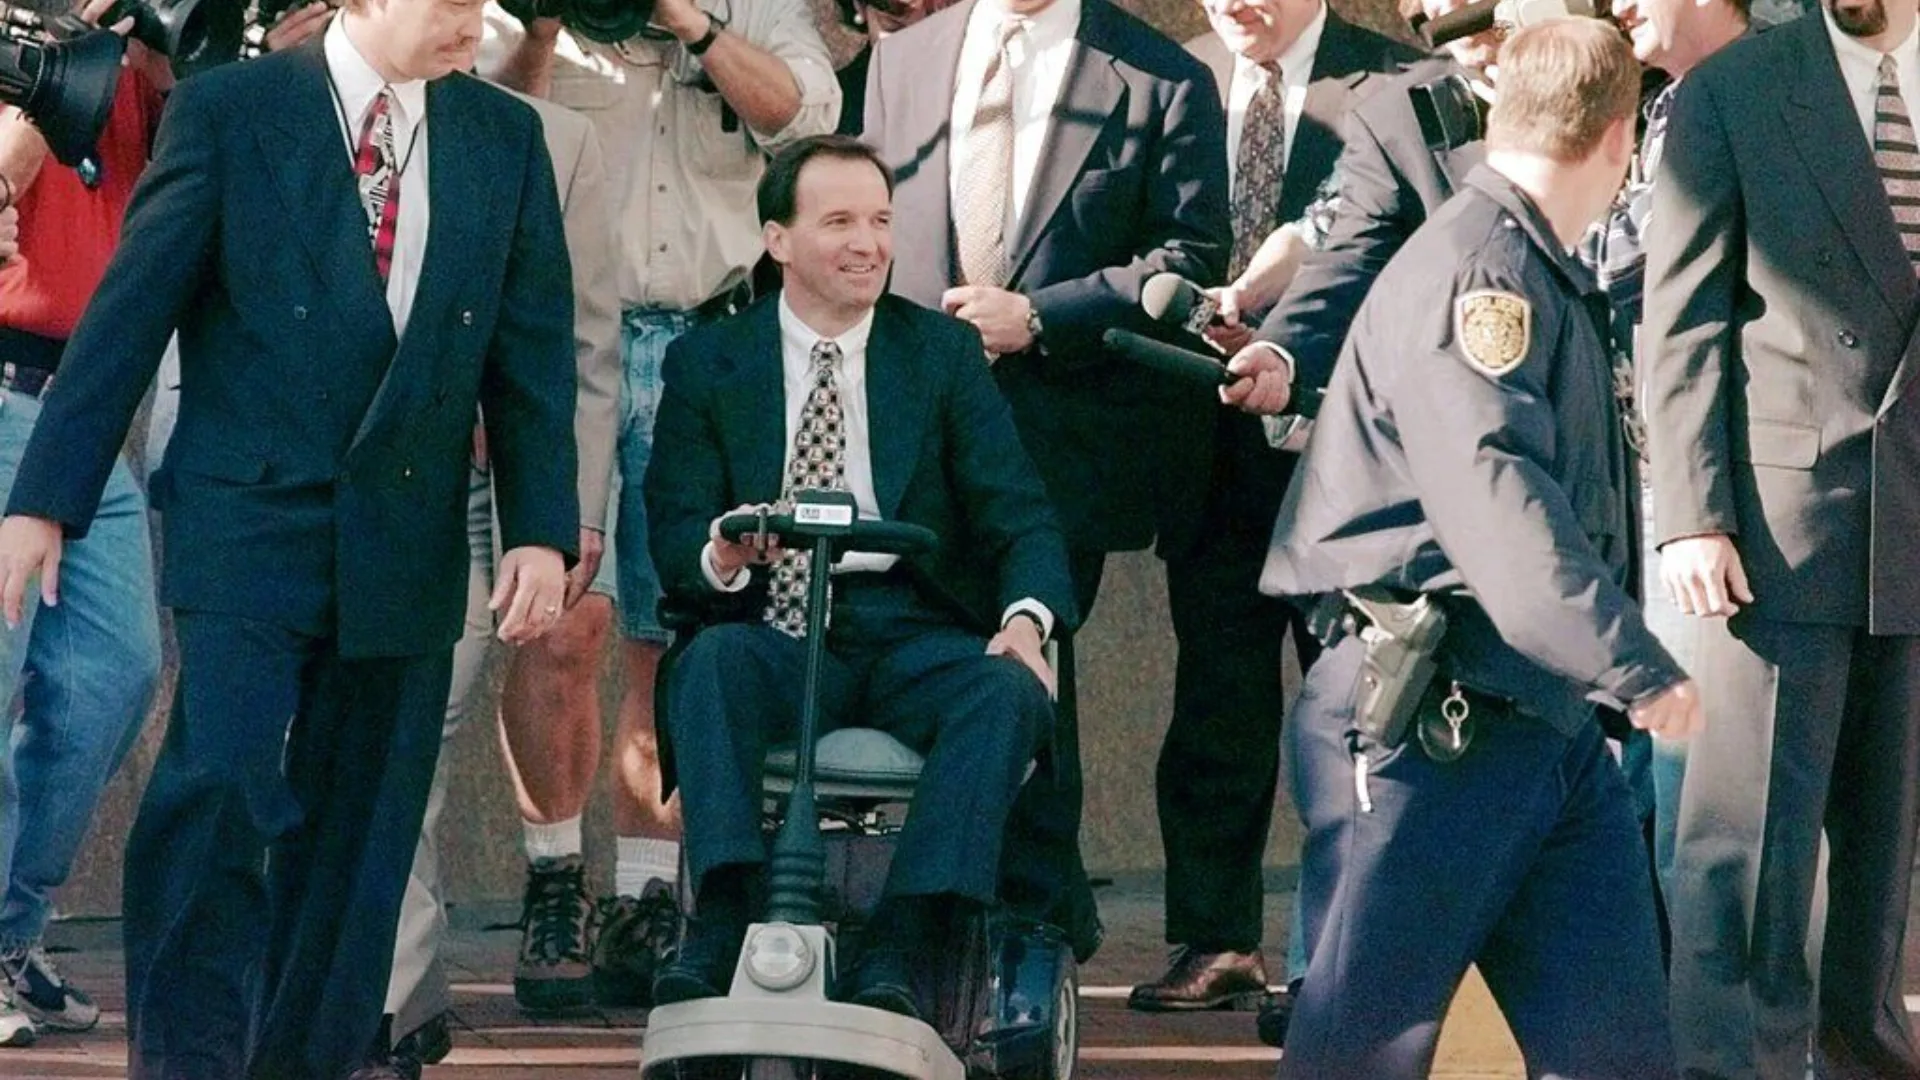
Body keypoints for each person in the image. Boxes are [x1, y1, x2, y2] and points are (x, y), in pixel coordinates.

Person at [0, 0, 582, 1071]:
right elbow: (133, 311)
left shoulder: (505, 136)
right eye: (447, 1)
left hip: (406, 531)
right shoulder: (232, 111)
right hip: (248, 515)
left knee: (361, 836)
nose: (471, 22)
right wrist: (44, 504)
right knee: (216, 787)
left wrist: (539, 532)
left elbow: (531, 349)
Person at [1262, 19, 1702, 1078]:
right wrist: (1631, 664)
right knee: (1357, 1053)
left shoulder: (1525, 263)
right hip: (1432, 718)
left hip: (1536, 725)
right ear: (1620, 138)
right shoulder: (1484, 275)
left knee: (1619, 1053)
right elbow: (1496, 496)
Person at [643, 134, 1074, 1021]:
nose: (868, 243)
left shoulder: (941, 354)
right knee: (710, 664)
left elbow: (1020, 515)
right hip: (774, 623)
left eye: (881, 220)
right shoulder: (708, 362)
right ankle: (724, 915)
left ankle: (906, 939)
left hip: (914, 623)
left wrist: (1025, 623)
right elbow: (678, 526)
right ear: (777, 239)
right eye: (838, 221)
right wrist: (723, 554)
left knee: (1004, 694)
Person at [479, 0, 839, 1010]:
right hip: (565, 344)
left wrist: (690, 22)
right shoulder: (518, 16)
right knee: (559, 624)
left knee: (668, 630)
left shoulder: (750, 7)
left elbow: (809, 115)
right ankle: (556, 877)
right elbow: (482, 135)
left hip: (708, 349)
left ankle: (647, 903)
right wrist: (545, 33)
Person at [862, 0, 1230, 961]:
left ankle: (1025, 926)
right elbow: (863, 224)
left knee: (1029, 664)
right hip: (907, 435)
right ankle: (957, 905)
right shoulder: (903, 60)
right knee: (924, 662)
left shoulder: (1160, 76)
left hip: (1062, 437)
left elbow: (1187, 257)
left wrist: (1037, 314)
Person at [1642, 0, 1920, 1072]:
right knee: (1746, 851)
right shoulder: (1738, 89)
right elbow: (1682, 322)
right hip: (1772, 529)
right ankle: (1729, 1066)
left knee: (1884, 854)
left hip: (1910, 522)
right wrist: (1694, 517)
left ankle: (1861, 1054)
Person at [1125, 0, 1417, 1015]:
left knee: (1357, 707)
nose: (1234, 6)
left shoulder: (1396, 82)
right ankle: (1217, 939)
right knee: (1215, 700)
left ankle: (1350, 952)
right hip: (1205, 443)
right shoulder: (1175, 76)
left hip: (1347, 446)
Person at [375, 87, 620, 1072]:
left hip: (492, 497)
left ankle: (394, 994)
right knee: (390, 733)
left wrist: (568, 515)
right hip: (357, 484)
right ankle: (397, 994)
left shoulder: (550, 138)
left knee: (420, 720)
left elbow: (587, 344)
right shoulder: (308, 104)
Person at [0, 0, 166, 1048]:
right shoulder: (29, 41)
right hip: (3, 385)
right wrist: (69, 42)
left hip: (94, 411)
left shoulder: (142, 54)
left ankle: (11, 934)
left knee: (119, 672)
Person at [1583, 0, 1748, 917]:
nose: (1618, 4)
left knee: (1703, 808)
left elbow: (1618, 255)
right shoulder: (1663, 103)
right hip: (1641, 492)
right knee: (1652, 788)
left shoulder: (1743, 97)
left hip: (1703, 499)